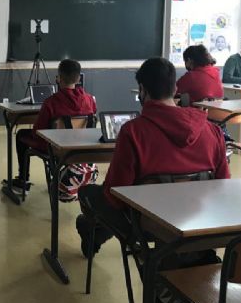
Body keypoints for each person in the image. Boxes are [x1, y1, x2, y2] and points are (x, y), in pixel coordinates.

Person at [76, 57, 230, 256]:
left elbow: (116, 195)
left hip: (148, 226)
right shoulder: (212, 131)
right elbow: (224, 186)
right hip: (199, 221)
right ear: (175, 89)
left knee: (89, 193)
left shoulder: (133, 132)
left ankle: (95, 233)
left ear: (142, 90)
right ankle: (97, 234)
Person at [13, 59, 97, 192]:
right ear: (78, 78)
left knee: (21, 134)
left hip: (56, 148)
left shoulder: (51, 102)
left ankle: (23, 180)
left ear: (59, 78)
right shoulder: (89, 100)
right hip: (80, 147)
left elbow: (37, 133)